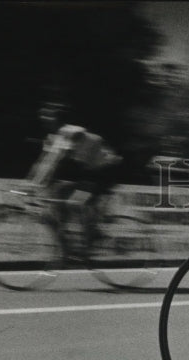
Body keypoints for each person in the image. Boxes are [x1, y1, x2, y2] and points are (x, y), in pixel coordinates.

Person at [28, 102, 123, 260]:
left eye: (48, 117)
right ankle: (68, 251)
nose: (44, 120)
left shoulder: (69, 132)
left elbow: (55, 160)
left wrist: (36, 184)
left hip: (106, 171)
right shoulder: (53, 138)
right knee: (54, 206)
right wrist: (29, 182)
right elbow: (43, 162)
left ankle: (93, 234)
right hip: (90, 171)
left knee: (75, 200)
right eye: (43, 117)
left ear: (58, 119)